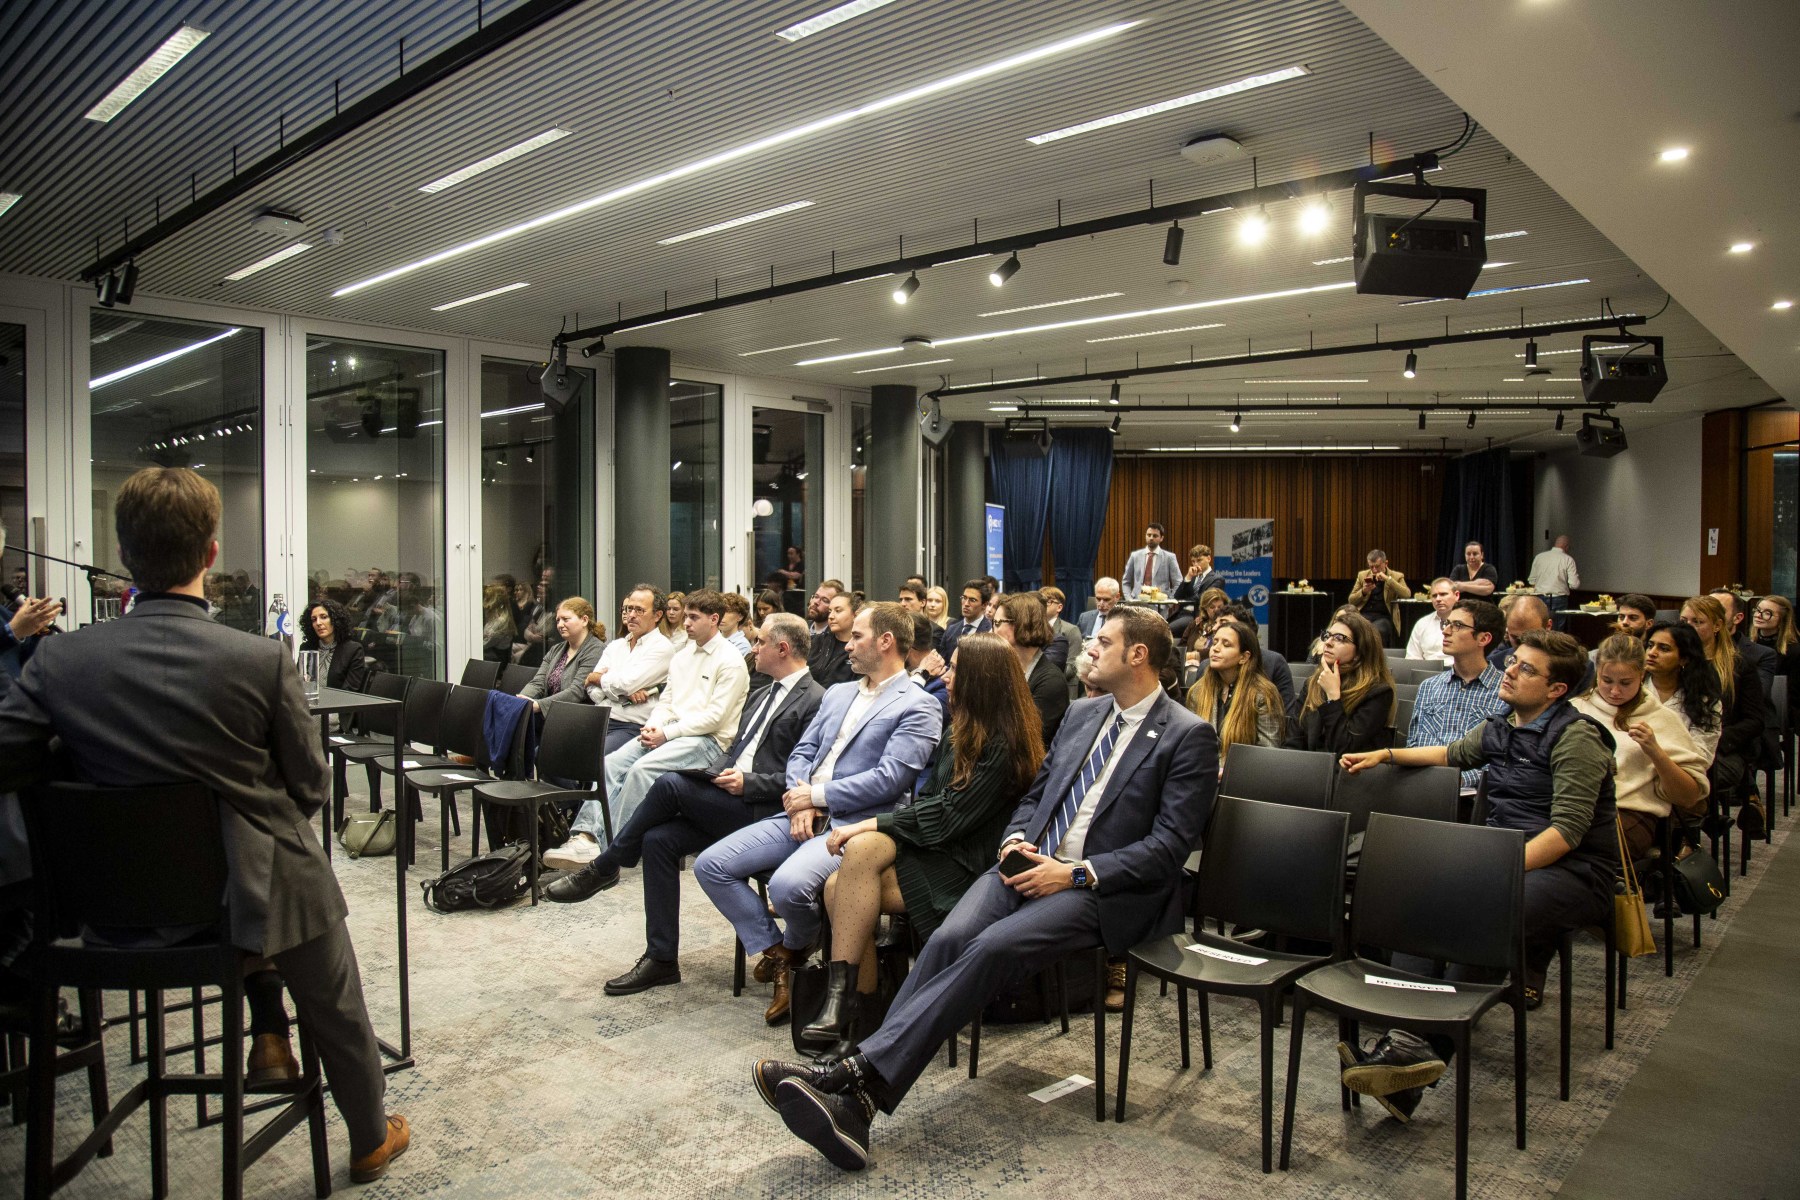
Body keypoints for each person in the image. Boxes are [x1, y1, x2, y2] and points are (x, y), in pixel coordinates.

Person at [0, 468, 409, 1180]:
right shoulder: (259, 659)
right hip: (250, 905)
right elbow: (311, 786)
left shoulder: (59, 658)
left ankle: (269, 1028)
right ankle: (369, 1134)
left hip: (106, 910)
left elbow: (11, 759)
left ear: (124, 555)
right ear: (212, 554)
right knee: (318, 949)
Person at [753, 607, 1217, 1170]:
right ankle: (857, 1100)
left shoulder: (1187, 735)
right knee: (949, 939)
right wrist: (1017, 836)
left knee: (990, 946)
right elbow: (1037, 795)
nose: (1089, 649)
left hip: (1100, 889)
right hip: (1026, 863)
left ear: (1137, 655)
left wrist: (1073, 873)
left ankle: (849, 1080)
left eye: (1103, 641)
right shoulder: (1083, 713)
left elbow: (1168, 849)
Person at [1337, 632, 1617, 1123]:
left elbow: (1566, 834)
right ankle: (1404, 1045)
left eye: (1527, 669)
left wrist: (1492, 872)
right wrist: (1386, 755)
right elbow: (1450, 754)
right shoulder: (1503, 725)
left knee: (1486, 909)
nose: (1510, 670)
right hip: (1504, 859)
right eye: (1514, 662)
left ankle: (1413, 1054)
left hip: (1571, 872)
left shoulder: (1577, 739)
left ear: (1556, 690)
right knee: (1421, 896)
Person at [544, 615, 825, 986]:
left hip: (765, 810)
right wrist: (717, 774)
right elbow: (735, 750)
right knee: (657, 840)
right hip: (729, 797)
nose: (753, 648)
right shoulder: (762, 693)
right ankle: (661, 959)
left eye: (760, 642)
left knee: (669, 785)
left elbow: (805, 775)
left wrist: (749, 783)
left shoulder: (816, 700)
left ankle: (607, 864)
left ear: (783, 649)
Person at [798, 634, 1045, 1055]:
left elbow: (949, 817)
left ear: (981, 680)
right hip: (936, 846)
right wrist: (872, 828)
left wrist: (872, 821)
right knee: (855, 861)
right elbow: (930, 801)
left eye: (956, 670)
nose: (945, 677)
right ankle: (849, 1009)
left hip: (968, 865)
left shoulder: (1003, 744)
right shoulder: (961, 728)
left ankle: (855, 1015)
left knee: (841, 889)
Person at [697, 603, 942, 1025]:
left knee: (787, 887)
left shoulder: (919, 705)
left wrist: (816, 796)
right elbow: (803, 752)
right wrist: (801, 798)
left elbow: (890, 780)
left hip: (857, 825)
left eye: (858, 636)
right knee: (711, 865)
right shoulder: (838, 693)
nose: (848, 644)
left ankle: (794, 950)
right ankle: (784, 953)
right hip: (804, 811)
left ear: (886, 642)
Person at [548, 589, 749, 866]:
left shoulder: (730, 660)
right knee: (609, 764)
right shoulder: (683, 655)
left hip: (708, 741)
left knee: (641, 770)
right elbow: (667, 701)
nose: (685, 623)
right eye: (685, 616)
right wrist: (654, 726)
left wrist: (666, 732)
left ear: (714, 619)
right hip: (670, 731)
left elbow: (715, 718)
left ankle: (607, 850)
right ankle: (583, 837)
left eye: (693, 617)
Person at [1573, 633, 1709, 860]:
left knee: (1581, 846)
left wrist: (1655, 751)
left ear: (1642, 675)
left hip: (1628, 812)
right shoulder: (1576, 709)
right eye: (1607, 680)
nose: (1615, 691)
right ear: (1597, 673)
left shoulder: (1662, 719)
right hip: (1573, 806)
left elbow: (1688, 797)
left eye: (1625, 683)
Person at [1682, 594, 1769, 832]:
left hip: (1725, 750)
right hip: (1681, 744)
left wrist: (1714, 739)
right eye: (1684, 621)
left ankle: (1688, 835)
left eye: (1697, 622)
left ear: (1717, 626)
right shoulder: (1675, 662)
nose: (1688, 628)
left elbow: (1755, 721)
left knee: (1685, 777)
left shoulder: (1739, 666)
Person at [1408, 598, 1508, 791]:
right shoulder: (1429, 686)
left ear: (1483, 639)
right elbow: (1413, 743)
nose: (1445, 631)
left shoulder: (1505, 692)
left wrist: (1456, 780)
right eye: (1447, 623)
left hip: (1473, 794)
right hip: (1422, 787)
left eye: (1458, 625)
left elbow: (1501, 759)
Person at [584, 584, 676, 754]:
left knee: (591, 756)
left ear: (657, 615)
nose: (631, 615)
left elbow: (626, 684)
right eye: (629, 608)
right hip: (600, 718)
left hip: (631, 726)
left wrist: (596, 678)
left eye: (639, 610)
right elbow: (593, 692)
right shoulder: (616, 645)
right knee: (549, 751)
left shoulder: (662, 647)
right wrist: (623, 693)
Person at [1286, 612, 1395, 754]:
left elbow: (1344, 750)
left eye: (1339, 638)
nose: (1328, 643)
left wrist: (1333, 698)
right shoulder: (1313, 684)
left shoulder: (1378, 693)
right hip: (1309, 765)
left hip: (1348, 767)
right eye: (1327, 635)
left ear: (1359, 653)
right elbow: (1292, 743)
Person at [1185, 616, 1284, 759]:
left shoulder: (1262, 694)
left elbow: (1268, 752)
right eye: (1215, 642)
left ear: (1244, 657)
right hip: (1203, 769)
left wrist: (1228, 769)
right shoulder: (1198, 691)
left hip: (1244, 771)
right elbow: (1189, 744)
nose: (1215, 649)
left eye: (1226, 645)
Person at [991, 591, 1068, 745]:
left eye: (998, 623)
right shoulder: (1003, 669)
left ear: (1020, 624)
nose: (994, 630)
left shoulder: (1051, 681)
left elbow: (1026, 740)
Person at [1643, 620, 1724, 764]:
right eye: (1650, 646)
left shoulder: (1704, 701)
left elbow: (1701, 756)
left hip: (1680, 770)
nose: (1652, 653)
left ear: (1684, 659)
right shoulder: (1632, 688)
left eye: (1664, 649)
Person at [518, 598, 606, 710]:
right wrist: (521, 701)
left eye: (565, 619)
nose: (560, 625)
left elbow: (577, 692)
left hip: (576, 714)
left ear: (584, 620)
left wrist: (539, 705)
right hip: (550, 712)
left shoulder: (596, 650)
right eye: (558, 620)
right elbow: (537, 683)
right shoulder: (555, 649)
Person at [300, 598, 370, 693]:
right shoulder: (307, 648)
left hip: (338, 701)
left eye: (324, 617)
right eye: (314, 620)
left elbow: (350, 690)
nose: (318, 623)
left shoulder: (353, 650)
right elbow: (298, 683)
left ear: (335, 620)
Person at [1349, 549, 1408, 647]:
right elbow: (1351, 600)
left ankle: (1377, 656)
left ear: (1386, 563)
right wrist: (1363, 591)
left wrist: (1388, 579)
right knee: (1353, 628)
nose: (1374, 570)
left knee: (1377, 630)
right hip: (1364, 615)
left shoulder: (1397, 576)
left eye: (1377, 566)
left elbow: (1406, 594)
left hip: (1384, 616)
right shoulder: (1362, 575)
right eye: (1371, 567)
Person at [1169, 543, 1223, 639]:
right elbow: (1177, 596)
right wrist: (1188, 577)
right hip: (1181, 613)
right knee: (1158, 628)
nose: (1196, 564)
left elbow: (1203, 598)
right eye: (1193, 561)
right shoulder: (1193, 577)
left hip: (1197, 615)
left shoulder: (1217, 579)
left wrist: (1186, 600)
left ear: (1209, 559)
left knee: (1167, 630)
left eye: (1199, 560)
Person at [1490, 594, 1553, 673]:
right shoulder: (1494, 665)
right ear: (1507, 629)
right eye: (1516, 638)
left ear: (1548, 626)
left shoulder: (1565, 665)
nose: (1523, 646)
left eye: (1530, 639)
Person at [807, 591, 858, 687]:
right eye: (830, 611)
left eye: (838, 611)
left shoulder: (861, 649)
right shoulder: (815, 642)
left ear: (855, 615)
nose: (830, 616)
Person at [1039, 586, 1083, 695]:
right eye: (1040, 601)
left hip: (1063, 688)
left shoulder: (1071, 630)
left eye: (1048, 602)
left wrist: (1044, 678)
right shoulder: (1033, 629)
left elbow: (1072, 666)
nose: (1042, 605)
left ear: (1059, 607)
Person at [1404, 577, 1459, 664]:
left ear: (1456, 595)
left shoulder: (1468, 623)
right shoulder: (1422, 623)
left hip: (1457, 670)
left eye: (1443, 594)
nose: (1438, 599)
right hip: (1428, 670)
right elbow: (1412, 658)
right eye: (1434, 596)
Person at [1121, 523, 1181, 601]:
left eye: (1155, 536)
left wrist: (1169, 601)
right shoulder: (1135, 556)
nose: (1151, 538)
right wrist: (1129, 599)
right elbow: (1126, 581)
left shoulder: (1169, 557)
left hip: (1160, 604)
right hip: (1137, 602)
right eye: (1149, 535)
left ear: (1161, 538)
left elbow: (1178, 582)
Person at [938, 578, 994, 659]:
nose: (966, 604)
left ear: (984, 605)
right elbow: (942, 661)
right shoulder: (951, 630)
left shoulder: (990, 631)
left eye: (972, 600)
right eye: (964, 598)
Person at [1527, 535, 1580, 617]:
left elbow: (1531, 581)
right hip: (1559, 598)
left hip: (1540, 597)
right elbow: (1574, 585)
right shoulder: (1568, 559)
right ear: (1567, 547)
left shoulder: (1539, 557)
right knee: (1557, 623)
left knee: (1540, 623)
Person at [1753, 595, 1800, 681]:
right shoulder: (1745, 644)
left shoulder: (1793, 651)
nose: (1758, 615)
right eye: (1758, 610)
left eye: (1767, 613)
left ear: (1782, 620)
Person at [480, 582, 517, 663]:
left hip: (496, 662)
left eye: (486, 598)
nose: (483, 601)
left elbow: (484, 644)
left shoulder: (501, 621)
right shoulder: (493, 619)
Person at [721, 591, 754, 657]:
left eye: (728, 611)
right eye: (720, 611)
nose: (721, 615)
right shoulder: (713, 638)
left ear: (740, 616)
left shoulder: (742, 646)